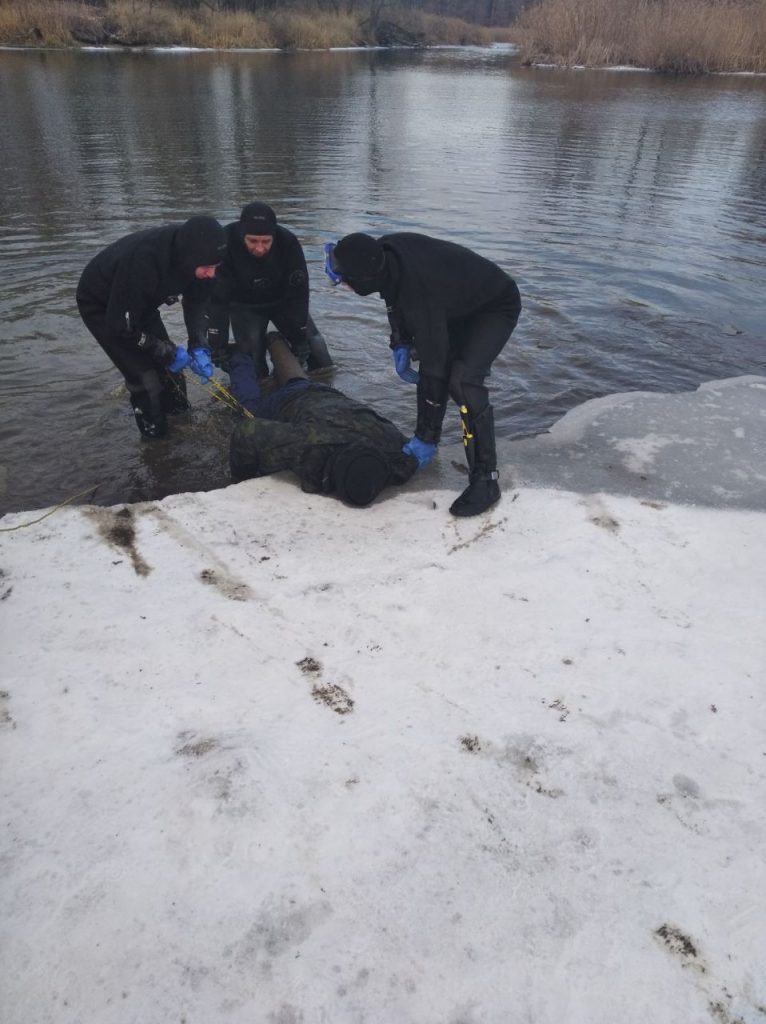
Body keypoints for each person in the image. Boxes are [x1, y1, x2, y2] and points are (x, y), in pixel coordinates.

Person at [324, 232, 521, 517]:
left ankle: (486, 478)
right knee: (439, 365)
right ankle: (429, 439)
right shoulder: (386, 253)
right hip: (455, 305)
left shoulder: (420, 293)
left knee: (461, 381)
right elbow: (392, 297)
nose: (342, 284)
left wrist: (424, 438)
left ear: (364, 280)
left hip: (494, 305)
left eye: (345, 280)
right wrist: (400, 340)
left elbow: (434, 369)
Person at [76, 215, 226, 439]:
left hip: (140, 304)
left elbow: (196, 304)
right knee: (147, 382)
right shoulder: (145, 260)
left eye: (216, 266)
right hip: (103, 306)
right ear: (188, 259)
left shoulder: (202, 260)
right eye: (206, 267)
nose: (212, 273)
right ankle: (155, 444)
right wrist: (163, 349)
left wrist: (199, 344)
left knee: (172, 373)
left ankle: (181, 424)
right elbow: (120, 327)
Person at [228, 333, 417, 507]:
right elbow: (246, 431)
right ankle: (238, 356)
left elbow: (412, 456)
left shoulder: (389, 442)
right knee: (250, 408)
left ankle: (274, 340)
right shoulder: (306, 443)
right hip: (288, 402)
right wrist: (242, 480)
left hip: (330, 397)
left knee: (299, 382)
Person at [207, 202, 333, 379]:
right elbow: (217, 300)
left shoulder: (288, 242)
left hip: (282, 301)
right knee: (254, 363)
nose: (259, 248)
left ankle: (323, 389)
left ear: (274, 236)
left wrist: (299, 337)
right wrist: (217, 344)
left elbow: (299, 295)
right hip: (245, 307)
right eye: (253, 241)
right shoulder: (225, 242)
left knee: (316, 347)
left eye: (266, 241)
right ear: (242, 235)